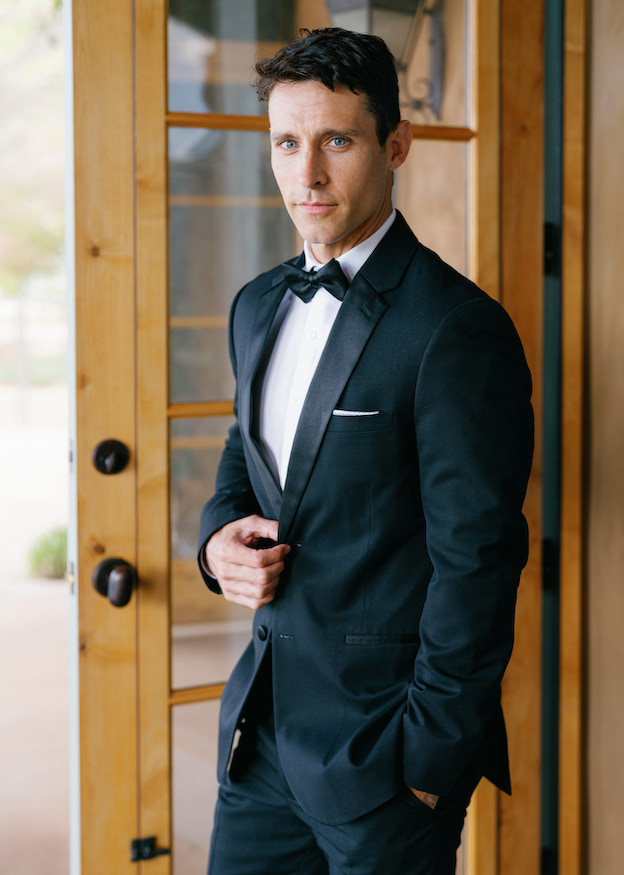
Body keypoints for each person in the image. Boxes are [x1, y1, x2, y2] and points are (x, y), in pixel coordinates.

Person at [198, 27, 533, 875]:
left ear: (396, 144)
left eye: (336, 142)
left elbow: (480, 562)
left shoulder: (456, 330)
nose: (305, 175)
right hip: (262, 743)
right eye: (287, 143)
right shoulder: (255, 305)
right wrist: (214, 544)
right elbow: (247, 458)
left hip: (386, 764)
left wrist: (426, 765)